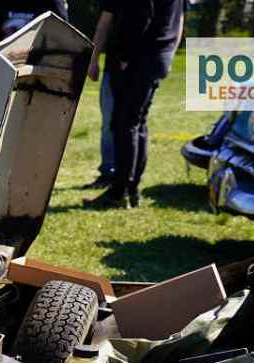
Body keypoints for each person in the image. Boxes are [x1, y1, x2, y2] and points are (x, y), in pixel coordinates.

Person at [85, 0, 185, 208]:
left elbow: (139, 14)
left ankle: (119, 192)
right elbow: (179, 20)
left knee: (125, 124)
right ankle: (131, 189)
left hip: (136, 59)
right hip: (158, 56)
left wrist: (124, 55)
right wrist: (169, 53)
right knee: (137, 123)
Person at [0, 0, 66, 42]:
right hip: (6, 60)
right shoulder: (1, 3)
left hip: (39, 62)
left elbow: (63, 38)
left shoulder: (53, 3)